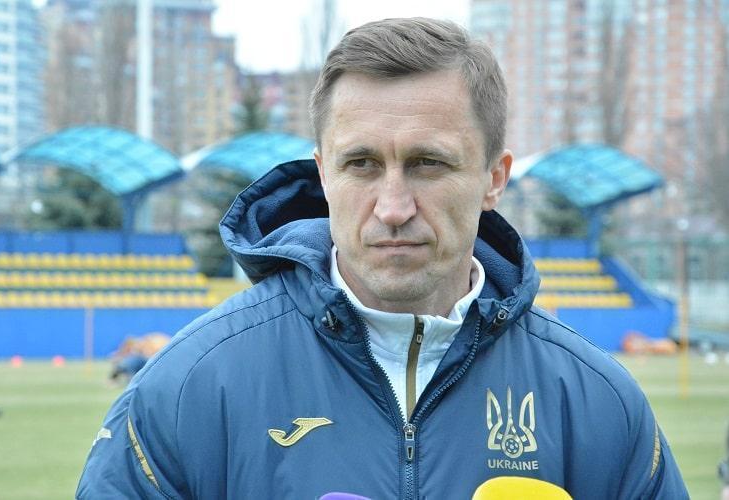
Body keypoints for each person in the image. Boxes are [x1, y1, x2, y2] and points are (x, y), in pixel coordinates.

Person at [77, 18, 687, 498]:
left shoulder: (596, 401)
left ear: (493, 178)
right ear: (324, 174)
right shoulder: (189, 387)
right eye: (362, 164)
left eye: (428, 163)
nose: (393, 207)